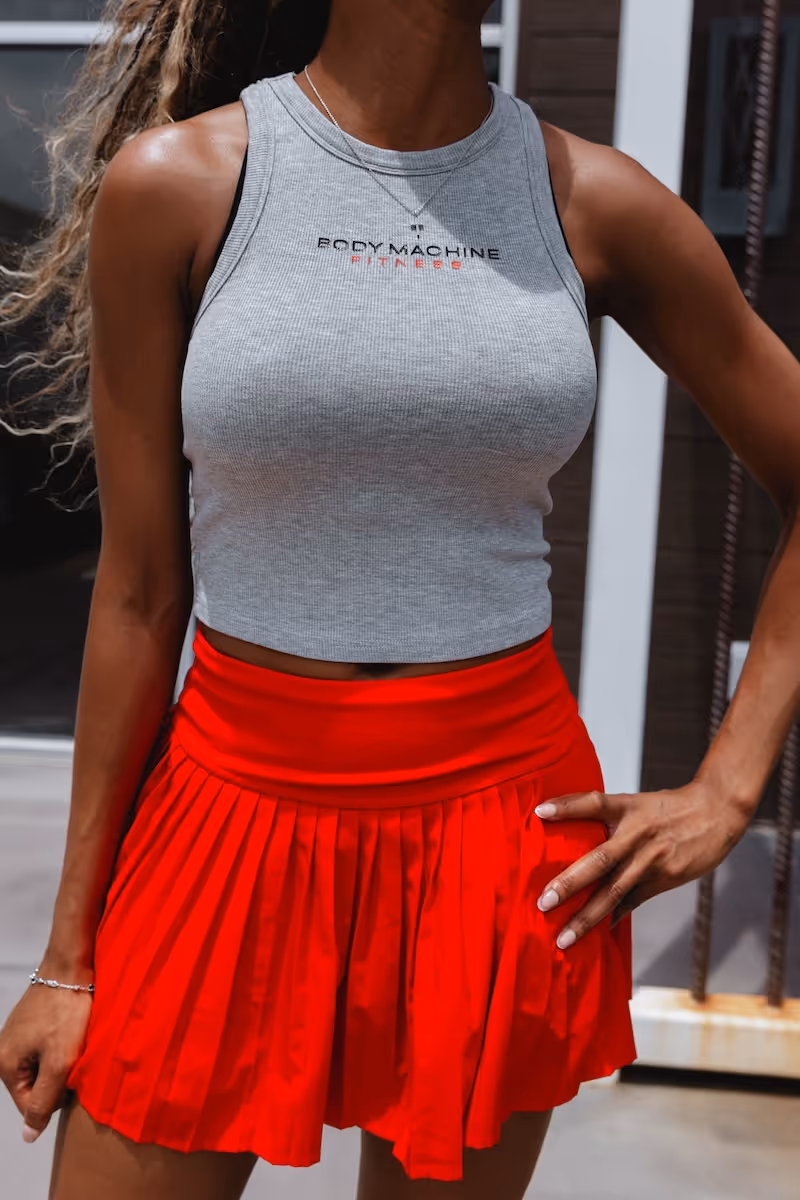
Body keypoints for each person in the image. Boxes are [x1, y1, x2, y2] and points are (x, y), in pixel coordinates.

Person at [0, 1, 798, 1197]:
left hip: (497, 835)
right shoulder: (180, 183)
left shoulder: (593, 199)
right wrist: (70, 959)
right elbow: (138, 595)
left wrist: (728, 785)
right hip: (227, 807)